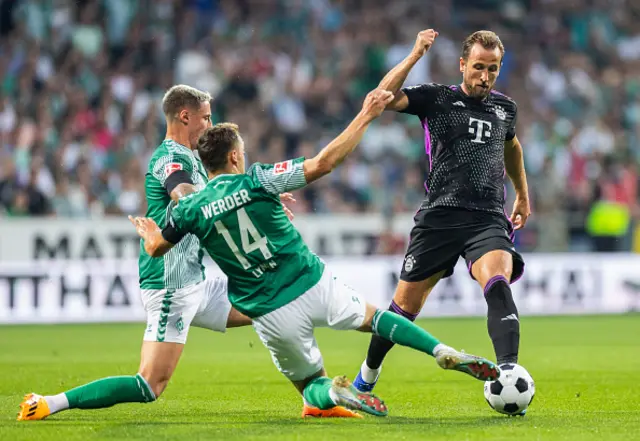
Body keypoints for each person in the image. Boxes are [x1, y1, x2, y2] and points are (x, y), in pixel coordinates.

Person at [128, 89, 500, 418]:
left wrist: (148, 235)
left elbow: (159, 246)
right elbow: (323, 162)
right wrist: (366, 115)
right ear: (235, 158)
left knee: (310, 384)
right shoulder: (259, 179)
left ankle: (333, 392)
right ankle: (440, 350)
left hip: (270, 310)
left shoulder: (192, 210)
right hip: (310, 281)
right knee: (376, 318)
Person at [16, 85, 324, 421]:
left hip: (196, 282)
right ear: (185, 116)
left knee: (275, 306)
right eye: (205, 118)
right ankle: (48, 402)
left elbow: (220, 192)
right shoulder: (169, 158)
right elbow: (184, 195)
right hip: (169, 286)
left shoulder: (194, 156)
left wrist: (258, 198)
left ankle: (315, 399)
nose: (210, 124)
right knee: (150, 385)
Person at [352, 30, 531, 396]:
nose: (485, 76)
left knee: (497, 283)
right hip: (439, 217)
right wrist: (416, 53)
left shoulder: (504, 108)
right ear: (462, 65)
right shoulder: (437, 98)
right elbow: (380, 99)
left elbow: (512, 148)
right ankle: (366, 377)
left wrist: (523, 196)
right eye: (478, 67)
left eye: (493, 69)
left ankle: (509, 373)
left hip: (486, 217)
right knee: (403, 308)